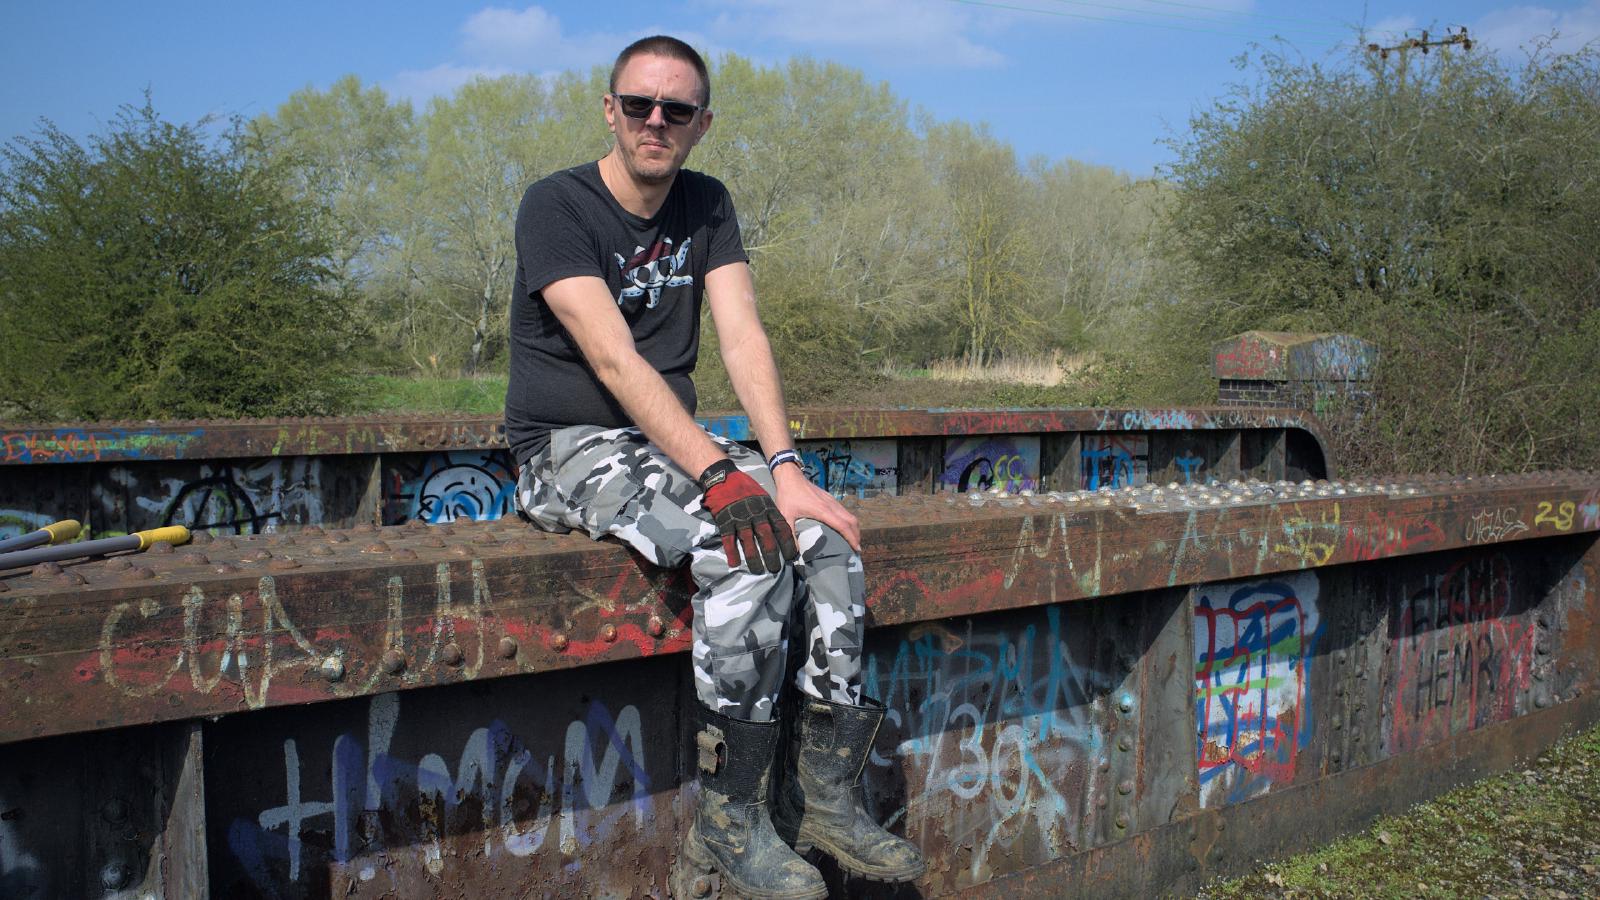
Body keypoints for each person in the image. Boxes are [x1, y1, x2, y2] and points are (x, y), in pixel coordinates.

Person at [507, 34, 926, 899]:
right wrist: (720, 476)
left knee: (824, 538)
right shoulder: (556, 205)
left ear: (702, 123)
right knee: (748, 547)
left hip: (664, 444)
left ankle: (824, 800)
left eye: (677, 109)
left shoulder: (707, 204)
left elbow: (741, 333)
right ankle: (730, 824)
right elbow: (618, 363)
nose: (655, 121)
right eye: (638, 105)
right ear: (609, 109)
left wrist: (785, 466)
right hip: (568, 449)